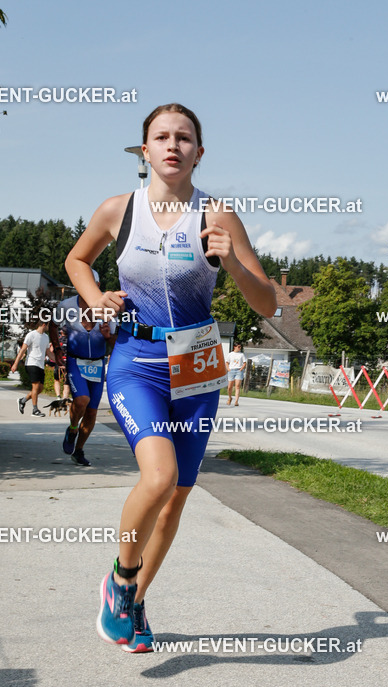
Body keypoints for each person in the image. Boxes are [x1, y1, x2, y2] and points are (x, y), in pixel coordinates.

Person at [65, 102, 276, 651]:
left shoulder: (218, 216)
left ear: (199, 153)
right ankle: (120, 580)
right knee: (158, 478)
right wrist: (95, 297)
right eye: (161, 137)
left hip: (197, 366)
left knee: (177, 496)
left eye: (184, 138)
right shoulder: (119, 210)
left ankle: (135, 602)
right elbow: (76, 261)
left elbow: (268, 303)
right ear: (146, 150)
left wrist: (232, 263)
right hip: (136, 361)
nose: (173, 145)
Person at [49, 276, 116, 466]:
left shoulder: (107, 307)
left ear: (98, 285)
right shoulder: (67, 305)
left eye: (91, 283)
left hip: (98, 364)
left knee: (92, 413)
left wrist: (108, 336)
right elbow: (53, 325)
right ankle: (72, 429)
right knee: (82, 400)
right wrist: (57, 349)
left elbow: (115, 341)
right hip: (75, 361)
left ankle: (78, 450)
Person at [11, 320, 52, 417]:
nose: (49, 327)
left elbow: (49, 353)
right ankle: (35, 410)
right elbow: (22, 350)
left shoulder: (46, 337)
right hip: (31, 363)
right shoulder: (31, 335)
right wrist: (15, 364)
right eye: (48, 325)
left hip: (40, 365)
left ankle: (22, 400)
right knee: (36, 386)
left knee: (40, 389)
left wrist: (59, 362)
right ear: (44, 324)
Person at [225, 341, 247, 406]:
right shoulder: (230, 354)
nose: (240, 348)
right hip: (231, 370)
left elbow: (244, 363)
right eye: (238, 347)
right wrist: (228, 369)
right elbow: (227, 362)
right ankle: (230, 398)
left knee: (237, 386)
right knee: (229, 387)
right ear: (235, 347)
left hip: (238, 371)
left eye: (240, 347)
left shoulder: (241, 354)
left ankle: (236, 401)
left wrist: (241, 369)